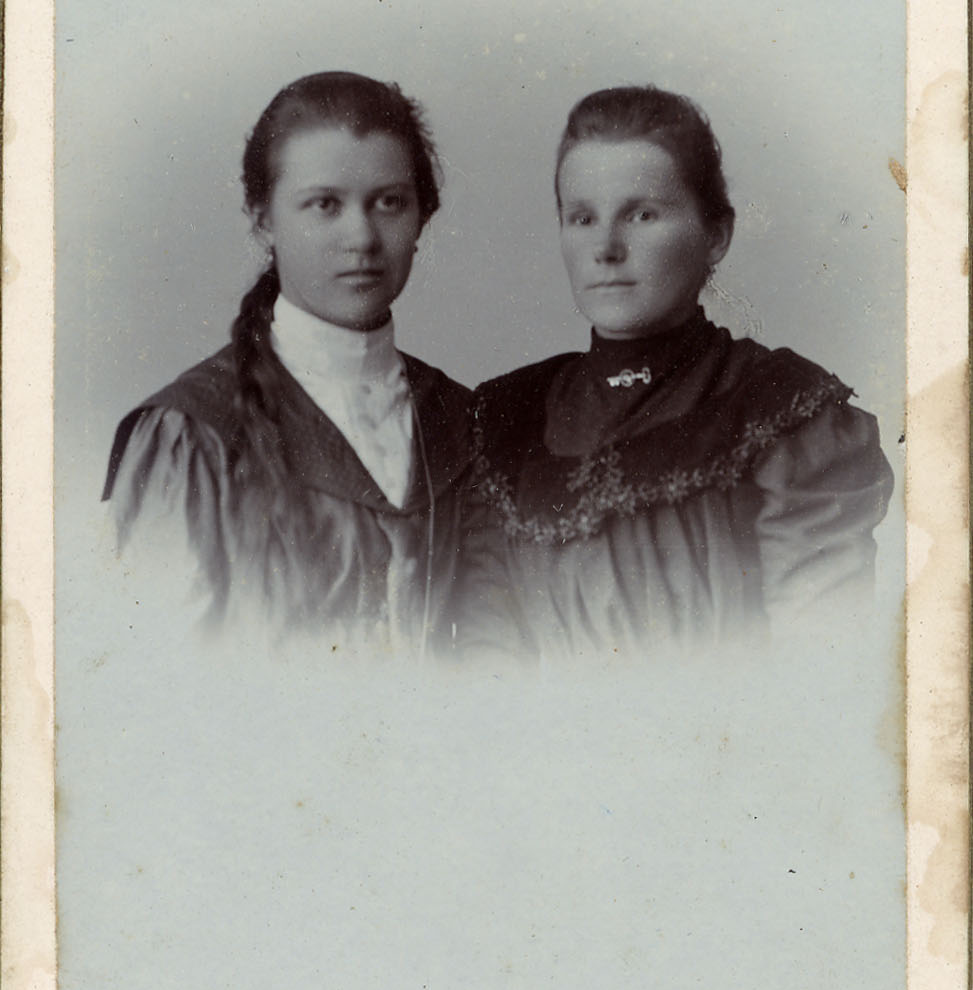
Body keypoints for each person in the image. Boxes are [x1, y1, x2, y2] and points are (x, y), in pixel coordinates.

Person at [459, 83, 894, 659]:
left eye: (642, 214)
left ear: (716, 236)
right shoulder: (508, 419)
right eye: (582, 218)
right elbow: (488, 662)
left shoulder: (781, 411)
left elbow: (816, 666)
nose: (606, 247)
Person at [104, 71, 471, 655]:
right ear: (263, 218)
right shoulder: (193, 435)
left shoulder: (462, 419)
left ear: (422, 217)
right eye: (324, 204)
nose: (362, 237)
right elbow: (152, 677)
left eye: (389, 202)